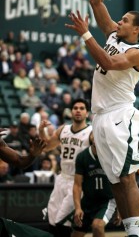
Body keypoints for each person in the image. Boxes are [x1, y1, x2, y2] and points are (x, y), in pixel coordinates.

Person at [65, 0, 139, 237]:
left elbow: (109, 62)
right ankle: (131, 233)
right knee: (115, 180)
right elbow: (96, 0)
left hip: (119, 115)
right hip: (99, 116)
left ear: (136, 29)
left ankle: (136, 235)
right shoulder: (113, 35)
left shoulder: (138, 52)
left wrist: (86, 34)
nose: (119, 22)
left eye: (125, 20)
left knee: (127, 177)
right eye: (121, 19)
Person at [39, 98, 92, 237]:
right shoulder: (63, 129)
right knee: (52, 217)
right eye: (75, 108)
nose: (78, 111)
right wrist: (41, 131)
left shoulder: (92, 132)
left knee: (63, 221)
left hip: (79, 181)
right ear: (71, 111)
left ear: (87, 113)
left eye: (82, 108)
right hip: (62, 178)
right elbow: (47, 147)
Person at [71, 134, 120, 237]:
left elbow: (120, 184)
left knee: (97, 226)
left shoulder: (113, 156)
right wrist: (78, 208)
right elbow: (77, 185)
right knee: (76, 234)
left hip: (106, 201)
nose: (96, 136)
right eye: (93, 133)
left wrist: (120, 208)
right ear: (90, 138)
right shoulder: (82, 157)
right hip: (88, 201)